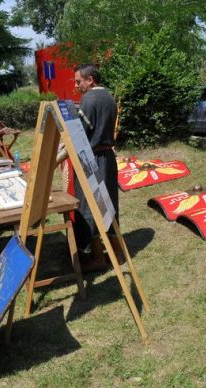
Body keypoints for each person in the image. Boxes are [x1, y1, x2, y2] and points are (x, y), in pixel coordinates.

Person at [72, 64, 122, 271]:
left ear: (90, 80)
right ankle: (118, 253)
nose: (76, 86)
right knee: (108, 205)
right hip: (108, 158)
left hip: (91, 158)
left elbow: (80, 133)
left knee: (89, 206)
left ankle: (97, 257)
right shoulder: (109, 97)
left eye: (78, 81)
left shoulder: (89, 99)